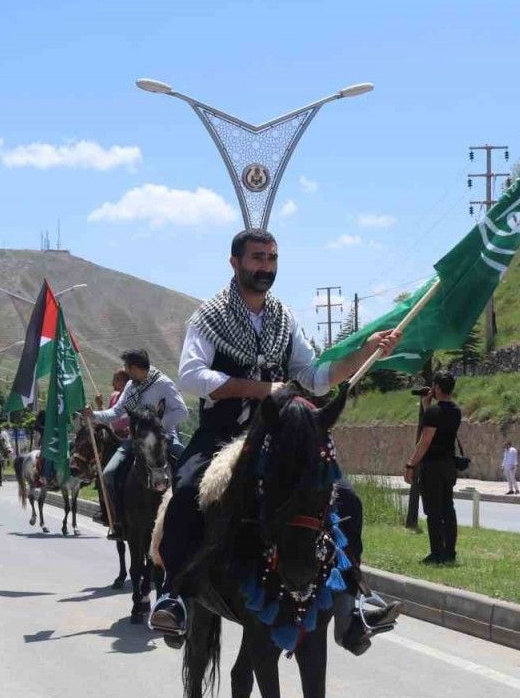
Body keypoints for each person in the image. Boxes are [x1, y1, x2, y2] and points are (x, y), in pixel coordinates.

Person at [149, 228, 402, 642]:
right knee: (187, 488)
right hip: (222, 432)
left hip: (281, 435)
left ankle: (354, 598)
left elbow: (315, 378)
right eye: (257, 258)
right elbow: (192, 376)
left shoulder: (284, 318)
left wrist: (364, 352)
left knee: (345, 496)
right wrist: (262, 389)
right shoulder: (208, 317)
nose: (266, 267)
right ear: (235, 263)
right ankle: (173, 593)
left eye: (271, 258)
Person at [82, 349, 188, 540]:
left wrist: (155, 425)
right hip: (135, 441)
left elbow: (182, 412)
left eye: (127, 368)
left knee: (190, 471)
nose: (126, 372)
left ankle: (185, 521)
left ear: (135, 368)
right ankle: (119, 521)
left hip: (163, 439)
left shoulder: (163, 384)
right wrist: (94, 415)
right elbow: (116, 412)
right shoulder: (131, 386)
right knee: (109, 474)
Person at [403, 372, 462, 565]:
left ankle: (436, 553)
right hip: (448, 465)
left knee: (433, 511)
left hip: (432, 467)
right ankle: (449, 552)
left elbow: (425, 441)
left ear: (436, 387)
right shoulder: (455, 411)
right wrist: (426, 406)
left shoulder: (433, 413)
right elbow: (439, 424)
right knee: (448, 509)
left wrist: (411, 465)